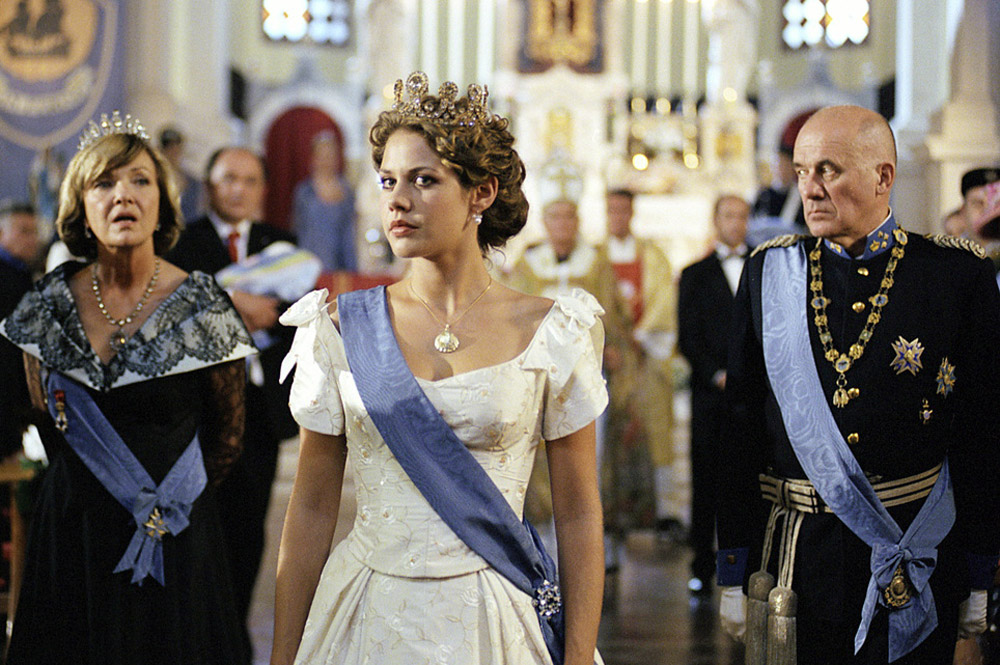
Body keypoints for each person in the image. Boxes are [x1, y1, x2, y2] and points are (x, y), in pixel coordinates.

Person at [271, 71, 606, 665]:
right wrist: (282, 655)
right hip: (368, 611)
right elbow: (313, 508)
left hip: (496, 614)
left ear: (482, 193)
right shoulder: (342, 327)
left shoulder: (550, 330)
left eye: (424, 180)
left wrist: (578, 655)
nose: (397, 200)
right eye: (388, 180)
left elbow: (578, 512)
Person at [716, 105, 1000, 664]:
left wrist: (979, 569)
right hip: (796, 567)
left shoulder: (954, 275)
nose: (809, 189)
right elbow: (739, 429)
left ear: (883, 177)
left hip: (913, 551)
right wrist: (733, 564)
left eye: (828, 170)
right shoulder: (769, 273)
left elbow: (982, 432)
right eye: (802, 171)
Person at [0, 112, 254, 664]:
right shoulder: (45, 306)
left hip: (175, 537)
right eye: (104, 183)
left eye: (140, 180)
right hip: (72, 538)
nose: (124, 195)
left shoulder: (203, 304)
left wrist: (164, 500)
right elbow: (45, 415)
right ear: (80, 206)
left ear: (162, 202)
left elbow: (228, 438)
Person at [166, 146, 298, 651]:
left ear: (262, 189)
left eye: (249, 180)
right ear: (209, 186)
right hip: (199, 411)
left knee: (249, 530)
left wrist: (270, 316)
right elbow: (177, 312)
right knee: (201, 530)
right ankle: (197, 640)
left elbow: (296, 316)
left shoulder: (281, 244)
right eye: (228, 179)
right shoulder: (182, 244)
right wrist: (234, 306)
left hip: (259, 413)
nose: (238, 189)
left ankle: (233, 639)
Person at [507, 197, 642, 573]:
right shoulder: (529, 264)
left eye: (569, 216)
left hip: (586, 374)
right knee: (541, 460)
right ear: (544, 222)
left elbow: (614, 314)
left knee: (593, 458)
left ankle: (598, 545)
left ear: (578, 221)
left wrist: (613, 347)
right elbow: (515, 314)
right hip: (542, 374)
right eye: (555, 217)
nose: (562, 224)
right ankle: (545, 545)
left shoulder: (596, 263)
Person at [677, 193, 750, 596]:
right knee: (706, 482)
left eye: (742, 216)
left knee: (748, 480)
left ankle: (746, 565)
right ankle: (701, 565)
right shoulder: (695, 274)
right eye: (729, 215)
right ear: (716, 220)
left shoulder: (761, 267)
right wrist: (716, 374)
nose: (736, 223)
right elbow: (687, 337)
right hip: (710, 396)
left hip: (753, 396)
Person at [601, 189, 683, 542]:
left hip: (645, 357)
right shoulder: (595, 258)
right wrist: (610, 343)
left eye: (624, 210)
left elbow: (664, 299)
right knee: (609, 436)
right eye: (612, 210)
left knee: (655, 430)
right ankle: (609, 511)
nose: (618, 216)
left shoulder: (653, 256)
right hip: (609, 361)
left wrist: (641, 335)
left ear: (632, 212)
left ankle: (663, 512)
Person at [0, 202, 40, 459]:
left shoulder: (21, 275)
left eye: (35, 232)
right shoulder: (8, 279)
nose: (32, 239)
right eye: (24, 231)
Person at [291, 130, 358, 273]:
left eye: (330, 156)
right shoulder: (305, 192)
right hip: (308, 265)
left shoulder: (347, 191)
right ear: (314, 158)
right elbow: (297, 230)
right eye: (322, 156)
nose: (326, 161)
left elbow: (349, 236)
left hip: (339, 266)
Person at [158, 126, 203, 223]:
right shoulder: (155, 179)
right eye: (169, 148)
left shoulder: (193, 182)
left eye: (176, 148)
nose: (172, 152)